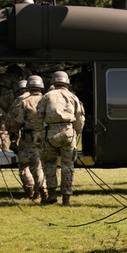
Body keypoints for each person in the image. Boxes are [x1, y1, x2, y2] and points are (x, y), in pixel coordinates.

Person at [37, 71, 85, 206]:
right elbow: (80, 117)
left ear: (53, 82)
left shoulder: (47, 96)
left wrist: (39, 133)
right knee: (68, 165)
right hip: (68, 132)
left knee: (49, 164)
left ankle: (51, 193)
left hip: (51, 133)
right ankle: (66, 199)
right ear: (67, 82)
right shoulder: (73, 97)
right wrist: (77, 131)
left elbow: (38, 116)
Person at [6, 75, 48, 203]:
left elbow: (16, 121)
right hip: (46, 137)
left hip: (29, 137)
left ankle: (33, 190)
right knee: (42, 165)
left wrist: (13, 138)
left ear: (28, 86)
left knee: (25, 165)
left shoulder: (23, 101)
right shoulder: (47, 99)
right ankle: (43, 190)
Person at [0, 64, 24, 155]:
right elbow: (16, 92)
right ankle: (13, 142)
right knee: (13, 119)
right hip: (4, 94)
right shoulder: (14, 77)